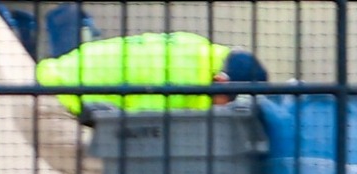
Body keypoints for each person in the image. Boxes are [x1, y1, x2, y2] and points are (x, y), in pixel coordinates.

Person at [35, 32, 266, 117]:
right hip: (55, 99)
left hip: (58, 78)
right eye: (229, 104)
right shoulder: (183, 81)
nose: (226, 111)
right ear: (220, 83)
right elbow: (142, 128)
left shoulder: (196, 48)